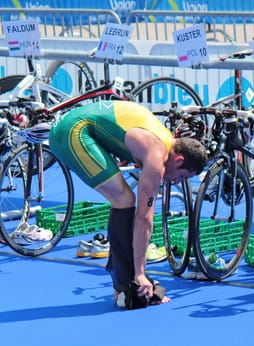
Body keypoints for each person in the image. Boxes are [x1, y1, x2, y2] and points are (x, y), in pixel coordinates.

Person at [49, 100, 207, 310]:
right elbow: (144, 219)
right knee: (124, 199)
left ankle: (122, 280)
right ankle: (126, 283)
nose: (176, 182)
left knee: (124, 199)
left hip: (77, 125)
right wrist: (140, 272)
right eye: (181, 176)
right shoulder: (156, 156)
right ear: (178, 160)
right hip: (72, 132)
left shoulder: (165, 140)